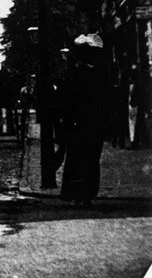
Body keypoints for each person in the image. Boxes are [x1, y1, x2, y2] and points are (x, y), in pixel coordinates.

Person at [60, 34, 108, 206]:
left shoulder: (74, 73)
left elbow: (66, 100)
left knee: (77, 158)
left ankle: (78, 193)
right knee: (90, 159)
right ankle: (85, 193)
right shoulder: (96, 74)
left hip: (78, 123)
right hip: (91, 124)